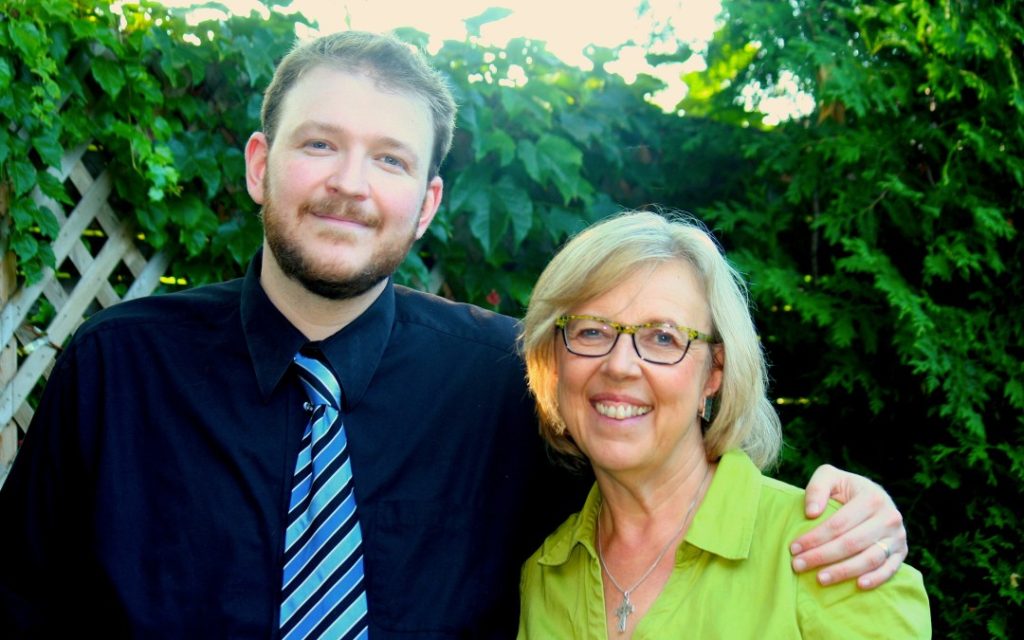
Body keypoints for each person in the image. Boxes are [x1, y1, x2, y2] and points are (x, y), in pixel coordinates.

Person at [0, 32, 907, 638]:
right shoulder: (117, 368)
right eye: (319, 144)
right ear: (259, 164)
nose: (351, 184)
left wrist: (853, 508)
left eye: (391, 159)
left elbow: (655, 479)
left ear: (428, 202)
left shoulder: (509, 383)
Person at [517, 210, 931, 638]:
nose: (620, 365)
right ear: (554, 362)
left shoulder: (833, 547)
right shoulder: (547, 576)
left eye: (663, 338)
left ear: (713, 374)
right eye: (591, 332)